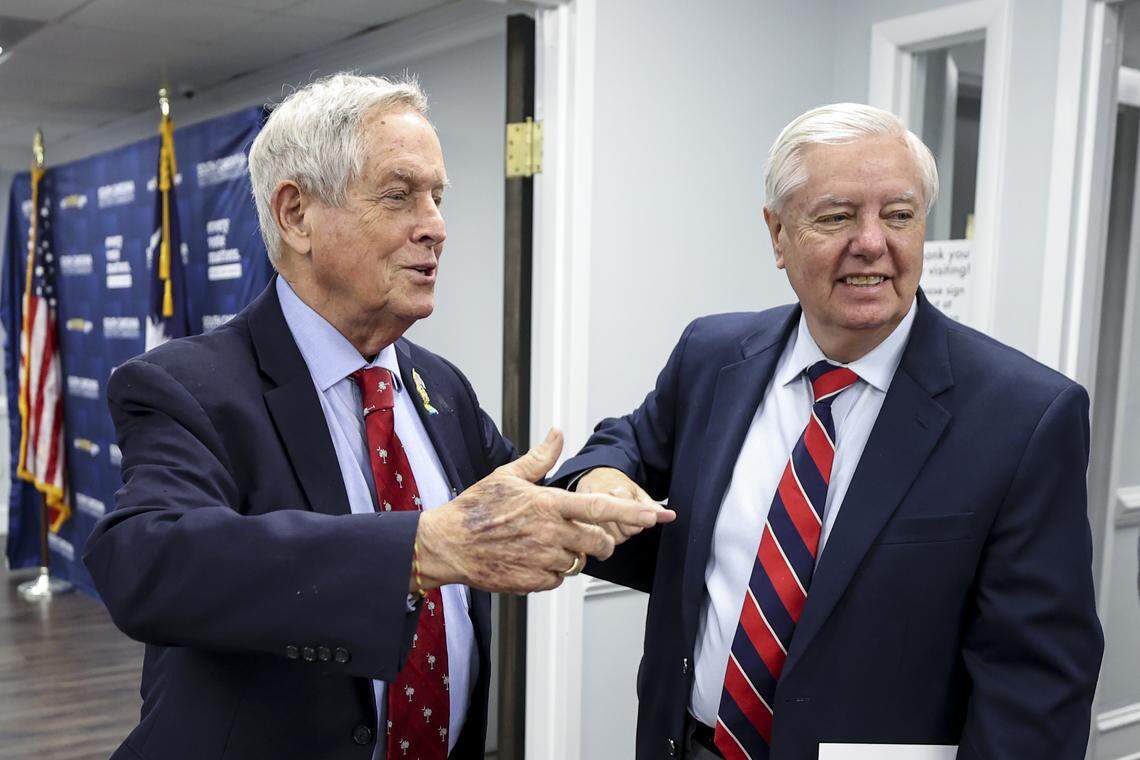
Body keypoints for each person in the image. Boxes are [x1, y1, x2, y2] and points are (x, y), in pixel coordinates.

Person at [83, 73, 672, 760]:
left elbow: (508, 514)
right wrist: (420, 550)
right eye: (399, 196)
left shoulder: (439, 387)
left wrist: (594, 484)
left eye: (438, 197)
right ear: (296, 215)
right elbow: (147, 562)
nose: (436, 227)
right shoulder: (188, 385)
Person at [553, 103, 1104, 760]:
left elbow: (1037, 691)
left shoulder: (1025, 417)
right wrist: (602, 476)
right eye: (837, 216)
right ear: (778, 234)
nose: (872, 242)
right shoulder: (714, 355)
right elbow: (624, 447)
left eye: (899, 216)